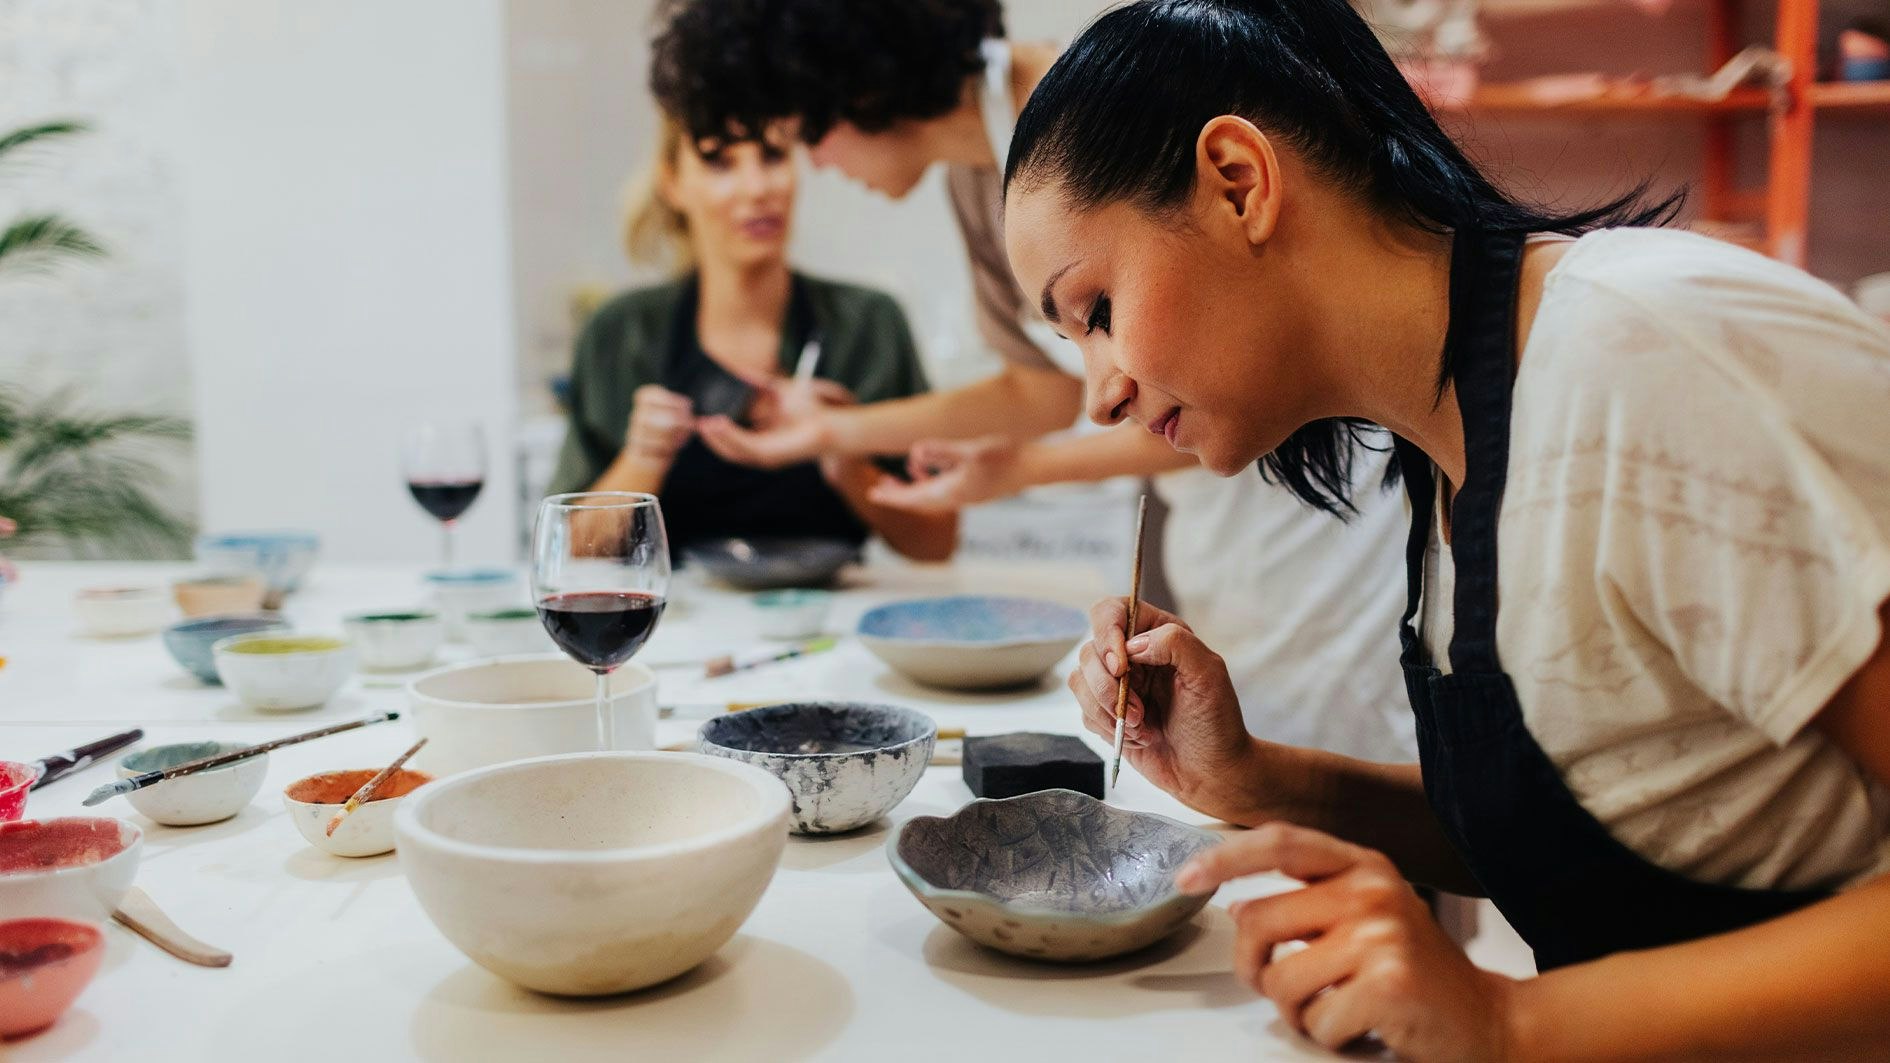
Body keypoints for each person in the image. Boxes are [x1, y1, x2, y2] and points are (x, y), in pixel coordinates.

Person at [1009, 1, 1890, 1058]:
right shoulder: (1451, 437)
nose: (1099, 395)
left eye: (1095, 308)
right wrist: (1250, 776)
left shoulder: (1647, 355)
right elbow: (1596, 824)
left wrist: (1513, 1020)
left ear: (1239, 179)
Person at [650, 0, 1415, 761]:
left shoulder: (1086, 129)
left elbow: (1205, 374)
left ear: (853, 88)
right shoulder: (979, 175)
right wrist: (833, 433)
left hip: (1314, 511)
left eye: (805, 137)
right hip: (1222, 529)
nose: (817, 166)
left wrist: (1021, 468)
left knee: (1353, 777)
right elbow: (1039, 389)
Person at [548, 118, 956, 562]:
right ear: (673, 183)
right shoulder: (620, 333)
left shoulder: (869, 324)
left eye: (773, 156)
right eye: (719, 162)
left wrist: (842, 453)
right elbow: (566, 553)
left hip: (829, 623)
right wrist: (643, 457)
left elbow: (934, 543)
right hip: (676, 623)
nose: (757, 187)